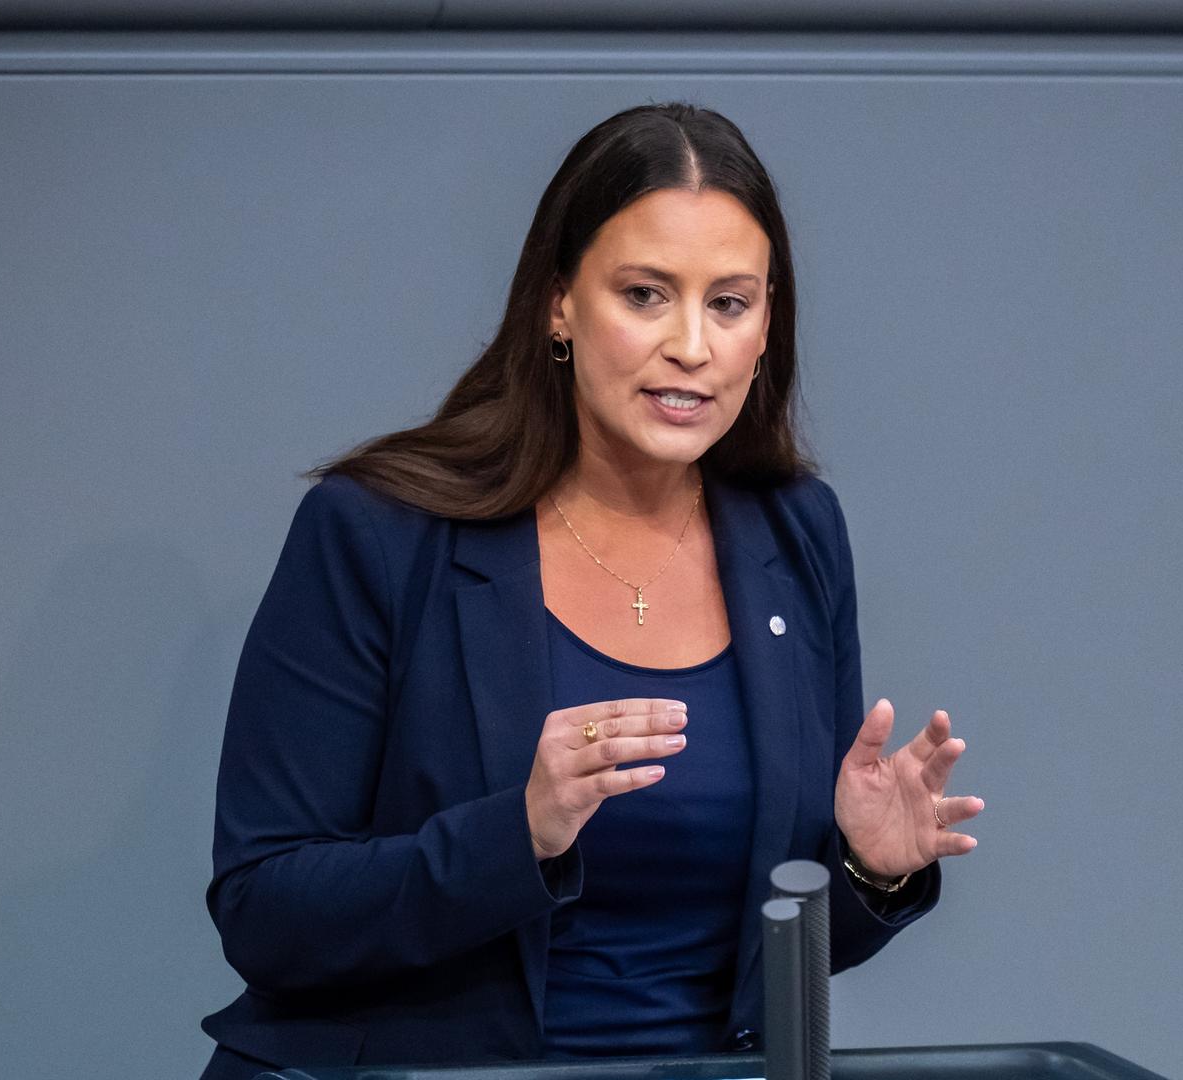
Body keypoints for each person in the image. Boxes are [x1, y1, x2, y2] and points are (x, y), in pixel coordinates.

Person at [197, 101, 985, 1079]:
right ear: (559, 303)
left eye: (729, 303)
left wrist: (866, 869)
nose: (692, 345)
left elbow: (766, 965)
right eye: (647, 294)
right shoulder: (380, 532)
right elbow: (265, 911)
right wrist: (514, 835)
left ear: (767, 323)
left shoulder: (796, 530)